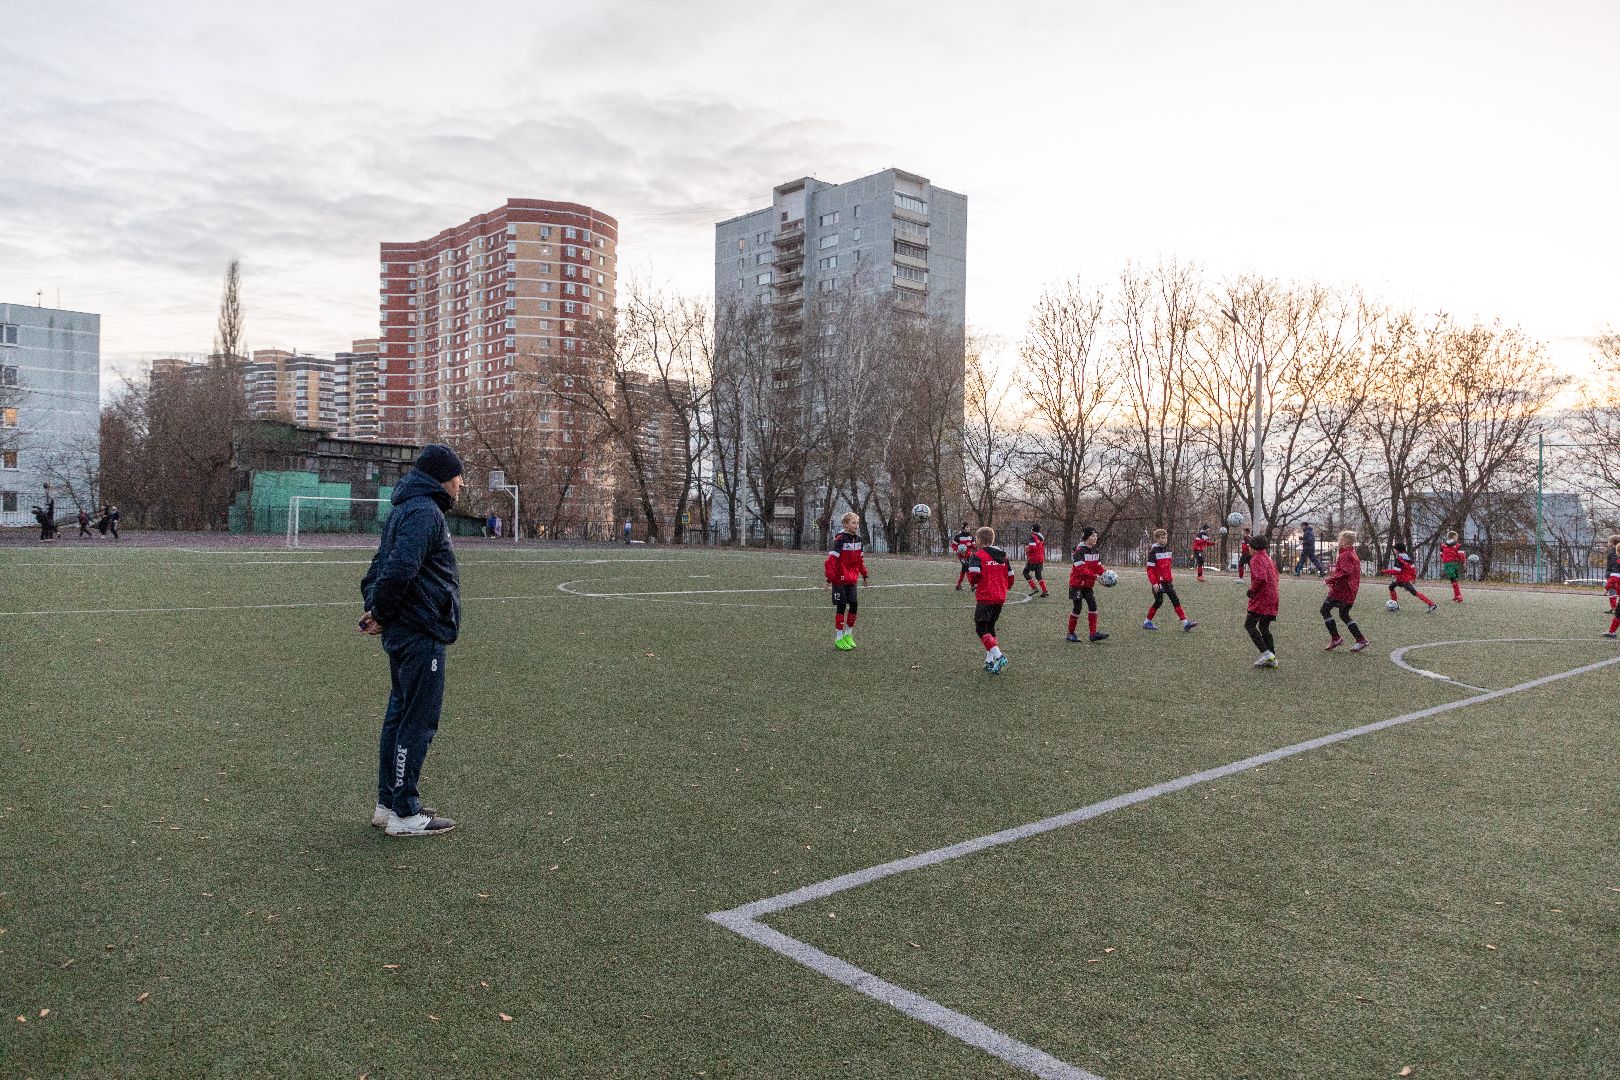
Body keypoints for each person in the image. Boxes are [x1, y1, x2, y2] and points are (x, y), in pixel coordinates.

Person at [360, 444, 465, 838]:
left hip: (406, 628)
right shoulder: (424, 512)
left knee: (399, 714)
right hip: (421, 631)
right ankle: (405, 811)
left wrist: (377, 610)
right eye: (457, 476)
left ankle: (388, 804)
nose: (461, 484)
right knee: (416, 721)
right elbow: (398, 568)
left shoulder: (405, 509)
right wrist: (382, 612)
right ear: (442, 478)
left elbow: (379, 567)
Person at [966, 525, 1015, 673]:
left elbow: (973, 575)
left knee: (980, 628)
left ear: (979, 540)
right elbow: (1011, 577)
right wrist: (1002, 588)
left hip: (986, 597)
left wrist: (973, 579)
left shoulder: (978, 556)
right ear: (992, 540)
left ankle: (999, 657)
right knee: (990, 627)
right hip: (999, 597)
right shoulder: (1003, 557)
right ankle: (989, 661)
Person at [824, 511, 870, 651]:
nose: (856, 525)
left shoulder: (859, 540)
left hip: (852, 579)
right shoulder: (840, 539)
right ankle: (838, 637)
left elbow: (860, 560)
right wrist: (829, 578)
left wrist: (864, 574)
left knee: (854, 604)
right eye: (853, 523)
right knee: (841, 606)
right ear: (845, 525)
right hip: (839, 579)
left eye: (857, 523)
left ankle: (848, 634)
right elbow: (831, 560)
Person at [1322, 530, 1371, 652]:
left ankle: (1336, 638)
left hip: (1342, 590)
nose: (1338, 541)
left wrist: (1331, 579)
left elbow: (1346, 572)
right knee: (1344, 614)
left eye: (1339, 539)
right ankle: (1360, 640)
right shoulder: (1352, 553)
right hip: (1350, 589)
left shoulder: (1345, 555)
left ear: (1344, 541)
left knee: (1325, 610)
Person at [1143, 528, 1196, 632]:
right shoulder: (1153, 552)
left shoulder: (1168, 550)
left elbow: (1167, 566)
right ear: (1157, 539)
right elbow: (1150, 569)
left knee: (1175, 600)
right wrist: (1154, 583)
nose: (1165, 540)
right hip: (1158, 583)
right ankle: (1147, 622)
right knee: (1158, 602)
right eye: (1162, 538)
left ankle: (1186, 623)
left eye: (1166, 538)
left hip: (1168, 582)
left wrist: (1169, 577)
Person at [1066, 526, 1109, 643]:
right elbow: (1081, 569)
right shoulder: (1079, 551)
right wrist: (1096, 577)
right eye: (1092, 536)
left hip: (1088, 585)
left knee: (1093, 606)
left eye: (1096, 536)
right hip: (1076, 584)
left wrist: (1105, 574)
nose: (1095, 538)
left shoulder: (1095, 551)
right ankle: (1070, 633)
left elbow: (1098, 567)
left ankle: (1093, 634)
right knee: (1077, 607)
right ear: (1086, 537)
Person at [1245, 533, 1280, 668]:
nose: (1248, 547)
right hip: (1273, 596)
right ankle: (1272, 658)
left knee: (1249, 625)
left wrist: (1252, 591)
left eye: (1249, 545)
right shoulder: (1267, 557)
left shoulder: (1255, 559)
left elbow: (1260, 578)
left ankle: (1267, 654)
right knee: (1264, 627)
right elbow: (1276, 576)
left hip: (1262, 598)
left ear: (1253, 547)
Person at [1380, 541, 1437, 612]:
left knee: (1414, 592)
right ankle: (1395, 605)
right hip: (1403, 578)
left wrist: (1385, 571)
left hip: (1402, 579)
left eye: (1394, 549)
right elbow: (1413, 568)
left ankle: (1431, 604)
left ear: (1397, 550)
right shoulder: (1407, 557)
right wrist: (1413, 577)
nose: (1394, 550)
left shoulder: (1399, 559)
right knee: (1391, 587)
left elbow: (1397, 571)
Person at [1439, 530, 1467, 602]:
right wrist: (1463, 563)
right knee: (1455, 579)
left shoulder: (1443, 545)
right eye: (1456, 537)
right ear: (1454, 537)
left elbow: (1441, 554)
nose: (1457, 539)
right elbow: (1461, 555)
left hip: (1448, 564)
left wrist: (1445, 560)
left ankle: (1458, 596)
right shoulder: (1458, 545)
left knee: (1453, 579)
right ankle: (1456, 595)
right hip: (1456, 563)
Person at [1022, 524, 1049, 597]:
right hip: (1040, 558)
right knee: (1038, 575)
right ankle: (1045, 591)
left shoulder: (1033, 537)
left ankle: (1034, 588)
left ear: (1032, 529)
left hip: (1034, 559)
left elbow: (1032, 547)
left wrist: (1027, 549)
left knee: (1025, 572)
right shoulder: (1041, 537)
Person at [951, 522, 976, 590]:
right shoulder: (958, 536)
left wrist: (970, 544)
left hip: (969, 555)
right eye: (967, 527)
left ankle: (958, 585)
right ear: (963, 528)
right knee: (967, 567)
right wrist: (957, 550)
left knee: (964, 569)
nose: (968, 528)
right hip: (961, 556)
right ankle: (972, 585)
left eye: (969, 527)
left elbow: (974, 547)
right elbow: (953, 545)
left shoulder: (971, 537)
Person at [1604, 534, 1620, 615]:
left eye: (1609, 542)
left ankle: (1614, 607)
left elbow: (1610, 565)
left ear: (1612, 542)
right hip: (1615, 574)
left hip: (1613, 575)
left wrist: (1608, 575)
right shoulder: (1613, 552)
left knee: (1612, 591)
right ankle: (1615, 608)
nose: (1608, 543)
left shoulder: (1612, 553)